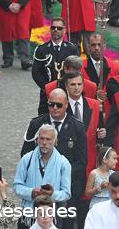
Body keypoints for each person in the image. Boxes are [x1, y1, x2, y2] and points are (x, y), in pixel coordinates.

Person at [21, 89, 87, 229]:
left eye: (59, 105)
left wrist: (59, 174)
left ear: (66, 104)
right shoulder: (36, 124)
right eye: (51, 105)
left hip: (64, 193)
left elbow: (81, 161)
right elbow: (25, 154)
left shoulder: (77, 127)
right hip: (37, 193)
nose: (55, 108)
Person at [14, 124, 72, 229]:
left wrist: (52, 194)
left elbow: (66, 193)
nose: (44, 143)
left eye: (48, 139)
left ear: (55, 141)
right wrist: (32, 192)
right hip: (28, 216)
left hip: (51, 219)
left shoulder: (64, 163)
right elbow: (17, 186)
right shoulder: (26, 159)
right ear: (37, 140)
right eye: (41, 138)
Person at [32, 19, 81, 113]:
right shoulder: (42, 49)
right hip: (47, 94)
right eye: (53, 27)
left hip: (67, 93)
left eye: (59, 28)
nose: (55, 30)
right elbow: (36, 73)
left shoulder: (72, 49)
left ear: (64, 30)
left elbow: (76, 72)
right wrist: (48, 88)